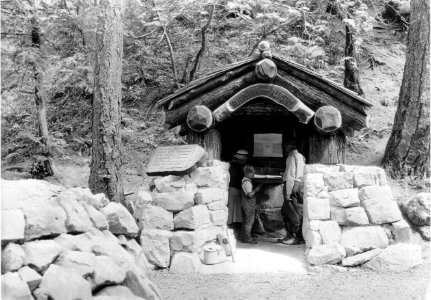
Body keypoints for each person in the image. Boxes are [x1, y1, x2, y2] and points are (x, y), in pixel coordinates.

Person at [278, 140, 306, 245]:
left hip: (292, 186)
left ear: (290, 145)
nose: (284, 148)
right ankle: (289, 236)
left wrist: (288, 192)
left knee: (292, 213)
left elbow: (290, 175)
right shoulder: (300, 156)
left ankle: (298, 237)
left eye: (285, 145)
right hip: (297, 186)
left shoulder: (292, 157)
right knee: (285, 212)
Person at [227, 149, 249, 236]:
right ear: (241, 159)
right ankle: (233, 231)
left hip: (233, 190)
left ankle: (234, 231)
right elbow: (239, 179)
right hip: (234, 190)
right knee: (233, 212)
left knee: (233, 212)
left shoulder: (233, 165)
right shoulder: (235, 166)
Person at [240, 165, 262, 244]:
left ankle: (243, 237)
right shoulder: (247, 183)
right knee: (249, 222)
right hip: (248, 204)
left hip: (244, 203)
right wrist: (256, 190)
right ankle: (247, 238)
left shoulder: (243, 181)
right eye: (253, 173)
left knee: (245, 221)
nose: (253, 175)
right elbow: (249, 194)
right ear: (248, 173)